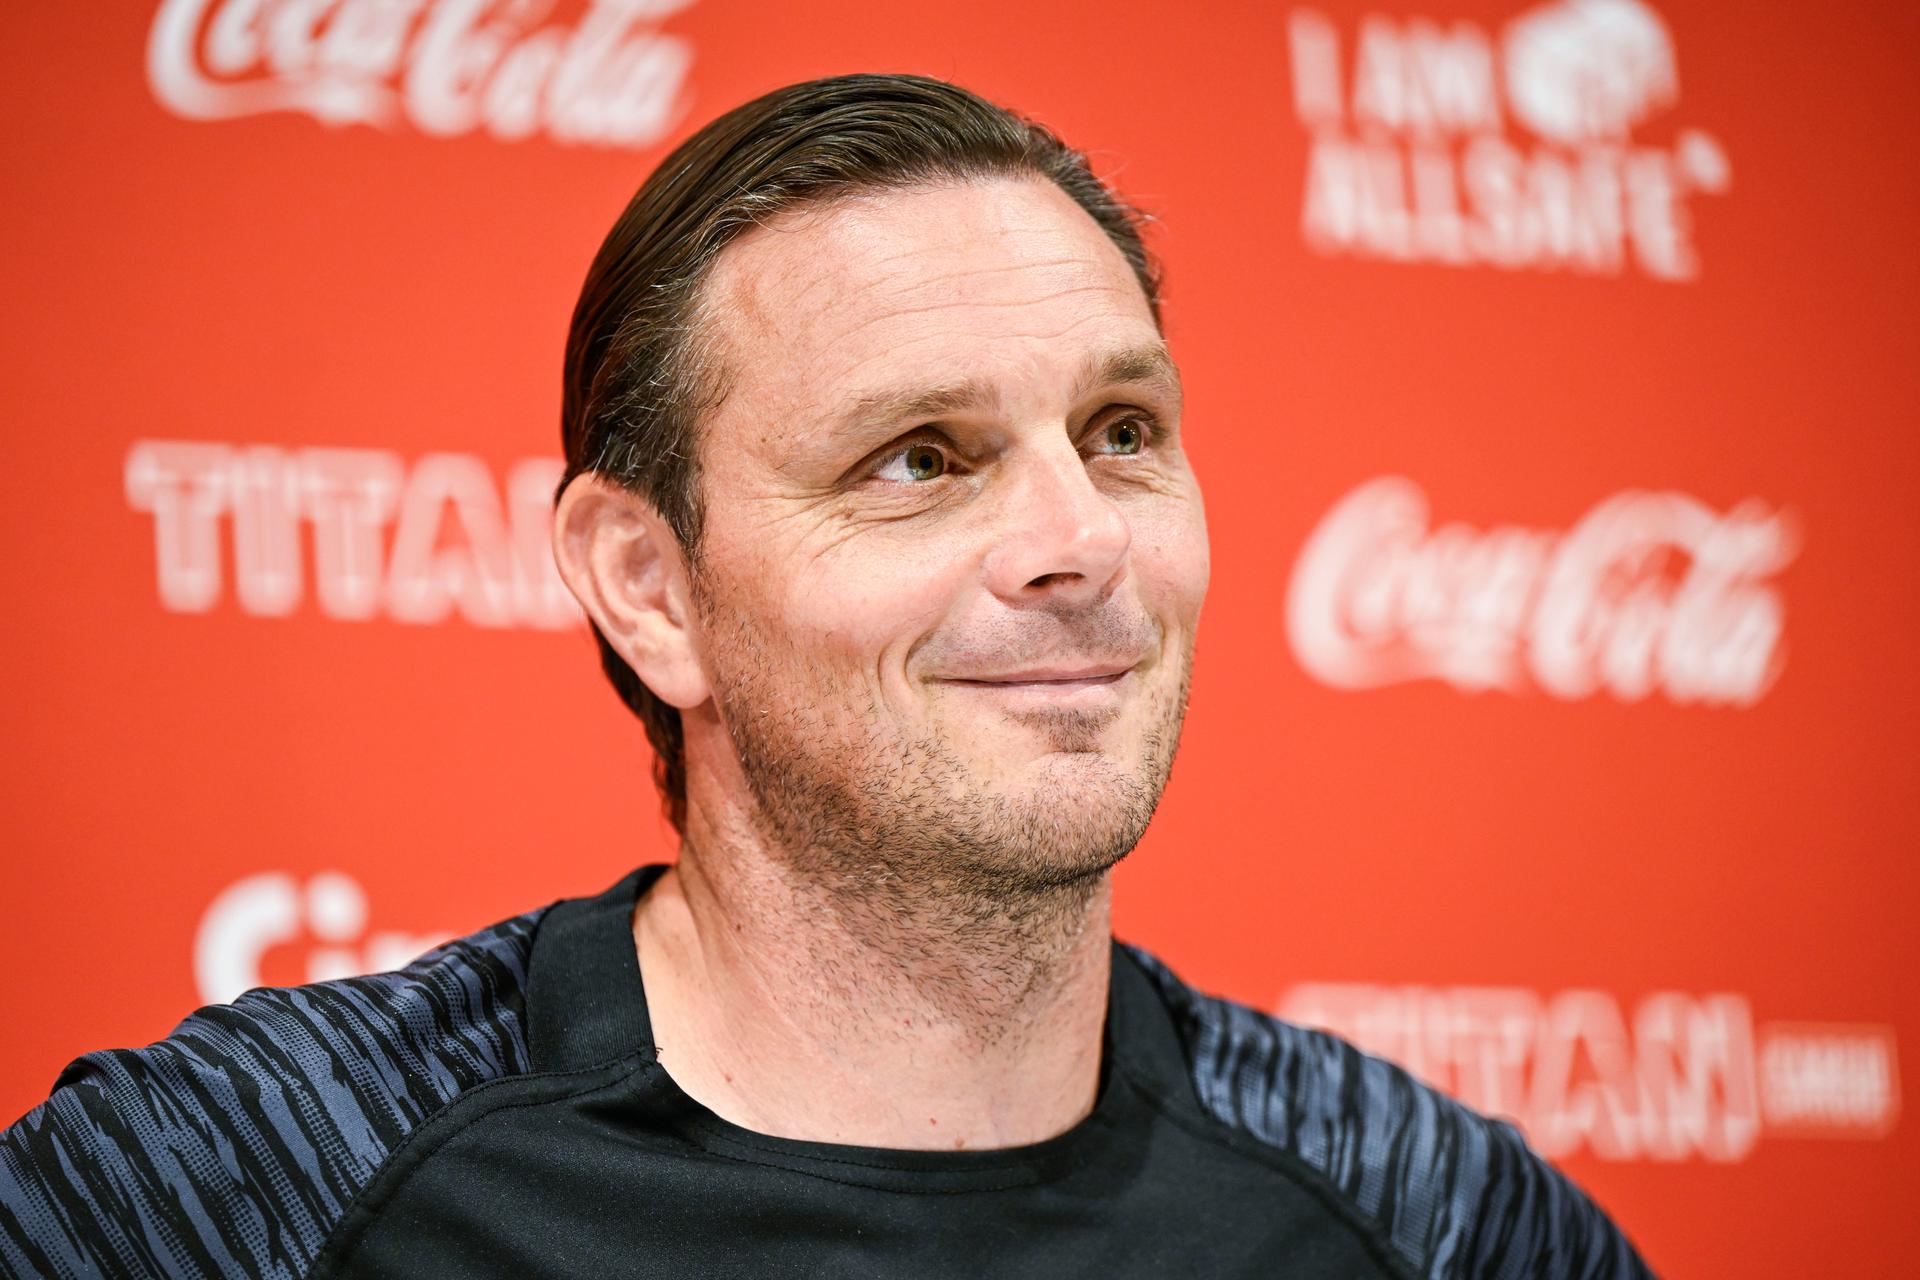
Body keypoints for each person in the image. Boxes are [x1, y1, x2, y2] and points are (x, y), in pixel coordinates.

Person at [0, 74, 1652, 1278]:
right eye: (920, 459)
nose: (1080, 539)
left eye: (1122, 433)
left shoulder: (1431, 1219)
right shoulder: (244, 1193)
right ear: (651, 589)